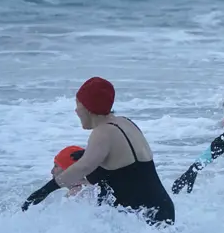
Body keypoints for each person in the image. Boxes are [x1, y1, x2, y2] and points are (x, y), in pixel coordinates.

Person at [22, 78, 175, 225]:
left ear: (88, 108)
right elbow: (127, 170)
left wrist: (45, 190)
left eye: (78, 104)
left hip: (142, 215)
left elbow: (83, 168)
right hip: (161, 208)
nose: (76, 110)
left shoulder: (103, 132)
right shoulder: (126, 123)